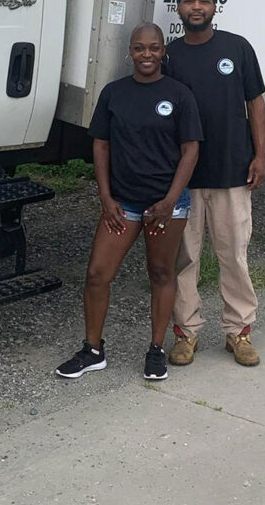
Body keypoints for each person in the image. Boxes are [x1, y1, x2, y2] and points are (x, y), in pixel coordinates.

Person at [56, 22, 203, 382]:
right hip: (123, 203)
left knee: (161, 273)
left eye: (154, 48)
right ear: (130, 52)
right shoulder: (114, 93)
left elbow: (191, 150)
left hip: (165, 206)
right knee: (96, 274)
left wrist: (170, 200)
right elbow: (100, 145)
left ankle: (155, 350)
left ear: (163, 51)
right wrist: (105, 197)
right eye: (140, 48)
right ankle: (92, 350)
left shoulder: (180, 94)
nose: (147, 55)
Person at [164, 0, 265, 367]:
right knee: (184, 259)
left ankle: (238, 332)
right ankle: (186, 333)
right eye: (188, 1)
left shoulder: (237, 48)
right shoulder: (169, 56)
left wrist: (260, 155)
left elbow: (256, 104)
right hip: (184, 179)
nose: (196, 7)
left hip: (232, 171)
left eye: (203, 1)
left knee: (234, 255)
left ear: (214, 7)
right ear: (178, 8)